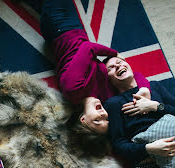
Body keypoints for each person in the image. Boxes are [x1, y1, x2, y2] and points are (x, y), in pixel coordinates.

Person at [39, 0, 150, 134]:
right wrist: (144, 89)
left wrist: (114, 53)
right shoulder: (107, 98)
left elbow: (87, 48)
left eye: (97, 121)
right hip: (78, 30)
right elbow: (134, 76)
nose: (103, 116)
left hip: (59, 27)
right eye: (107, 120)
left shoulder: (73, 90)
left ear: (83, 119)